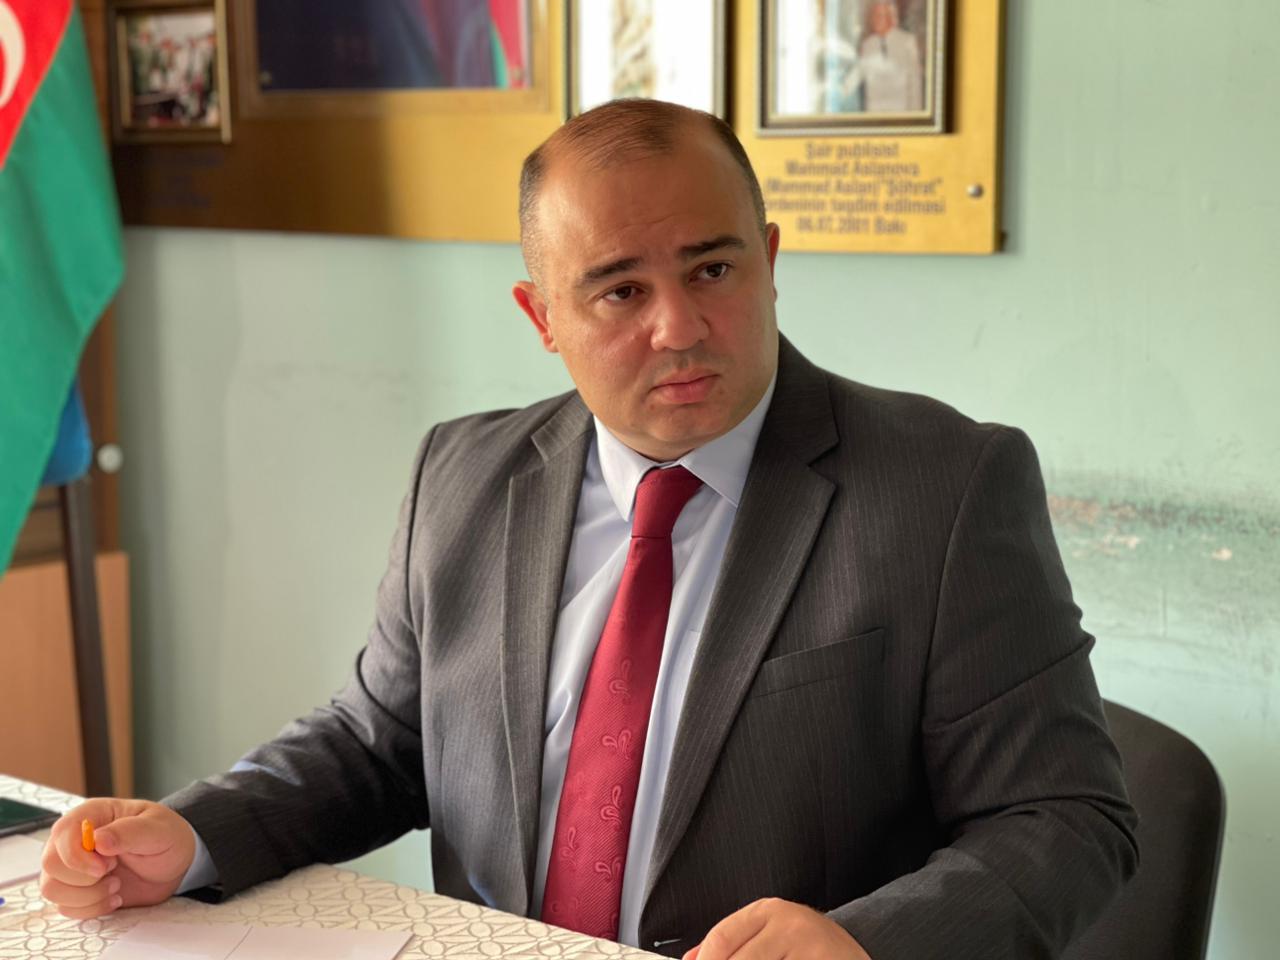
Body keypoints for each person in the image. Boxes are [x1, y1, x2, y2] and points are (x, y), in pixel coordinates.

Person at [39, 100, 1137, 959]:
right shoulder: (464, 476)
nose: (679, 326)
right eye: (619, 292)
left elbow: (1065, 818)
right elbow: (379, 742)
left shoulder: (943, 486)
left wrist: (864, 943)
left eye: (712, 269)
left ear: (769, 259)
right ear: (543, 317)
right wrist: (194, 835)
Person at [859, 2, 923, 113]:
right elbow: (859, 76)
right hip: (875, 113)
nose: (875, 20)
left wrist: (915, 114)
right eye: (874, 16)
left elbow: (915, 82)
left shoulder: (907, 41)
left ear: (891, 18)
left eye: (880, 15)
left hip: (901, 112)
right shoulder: (867, 45)